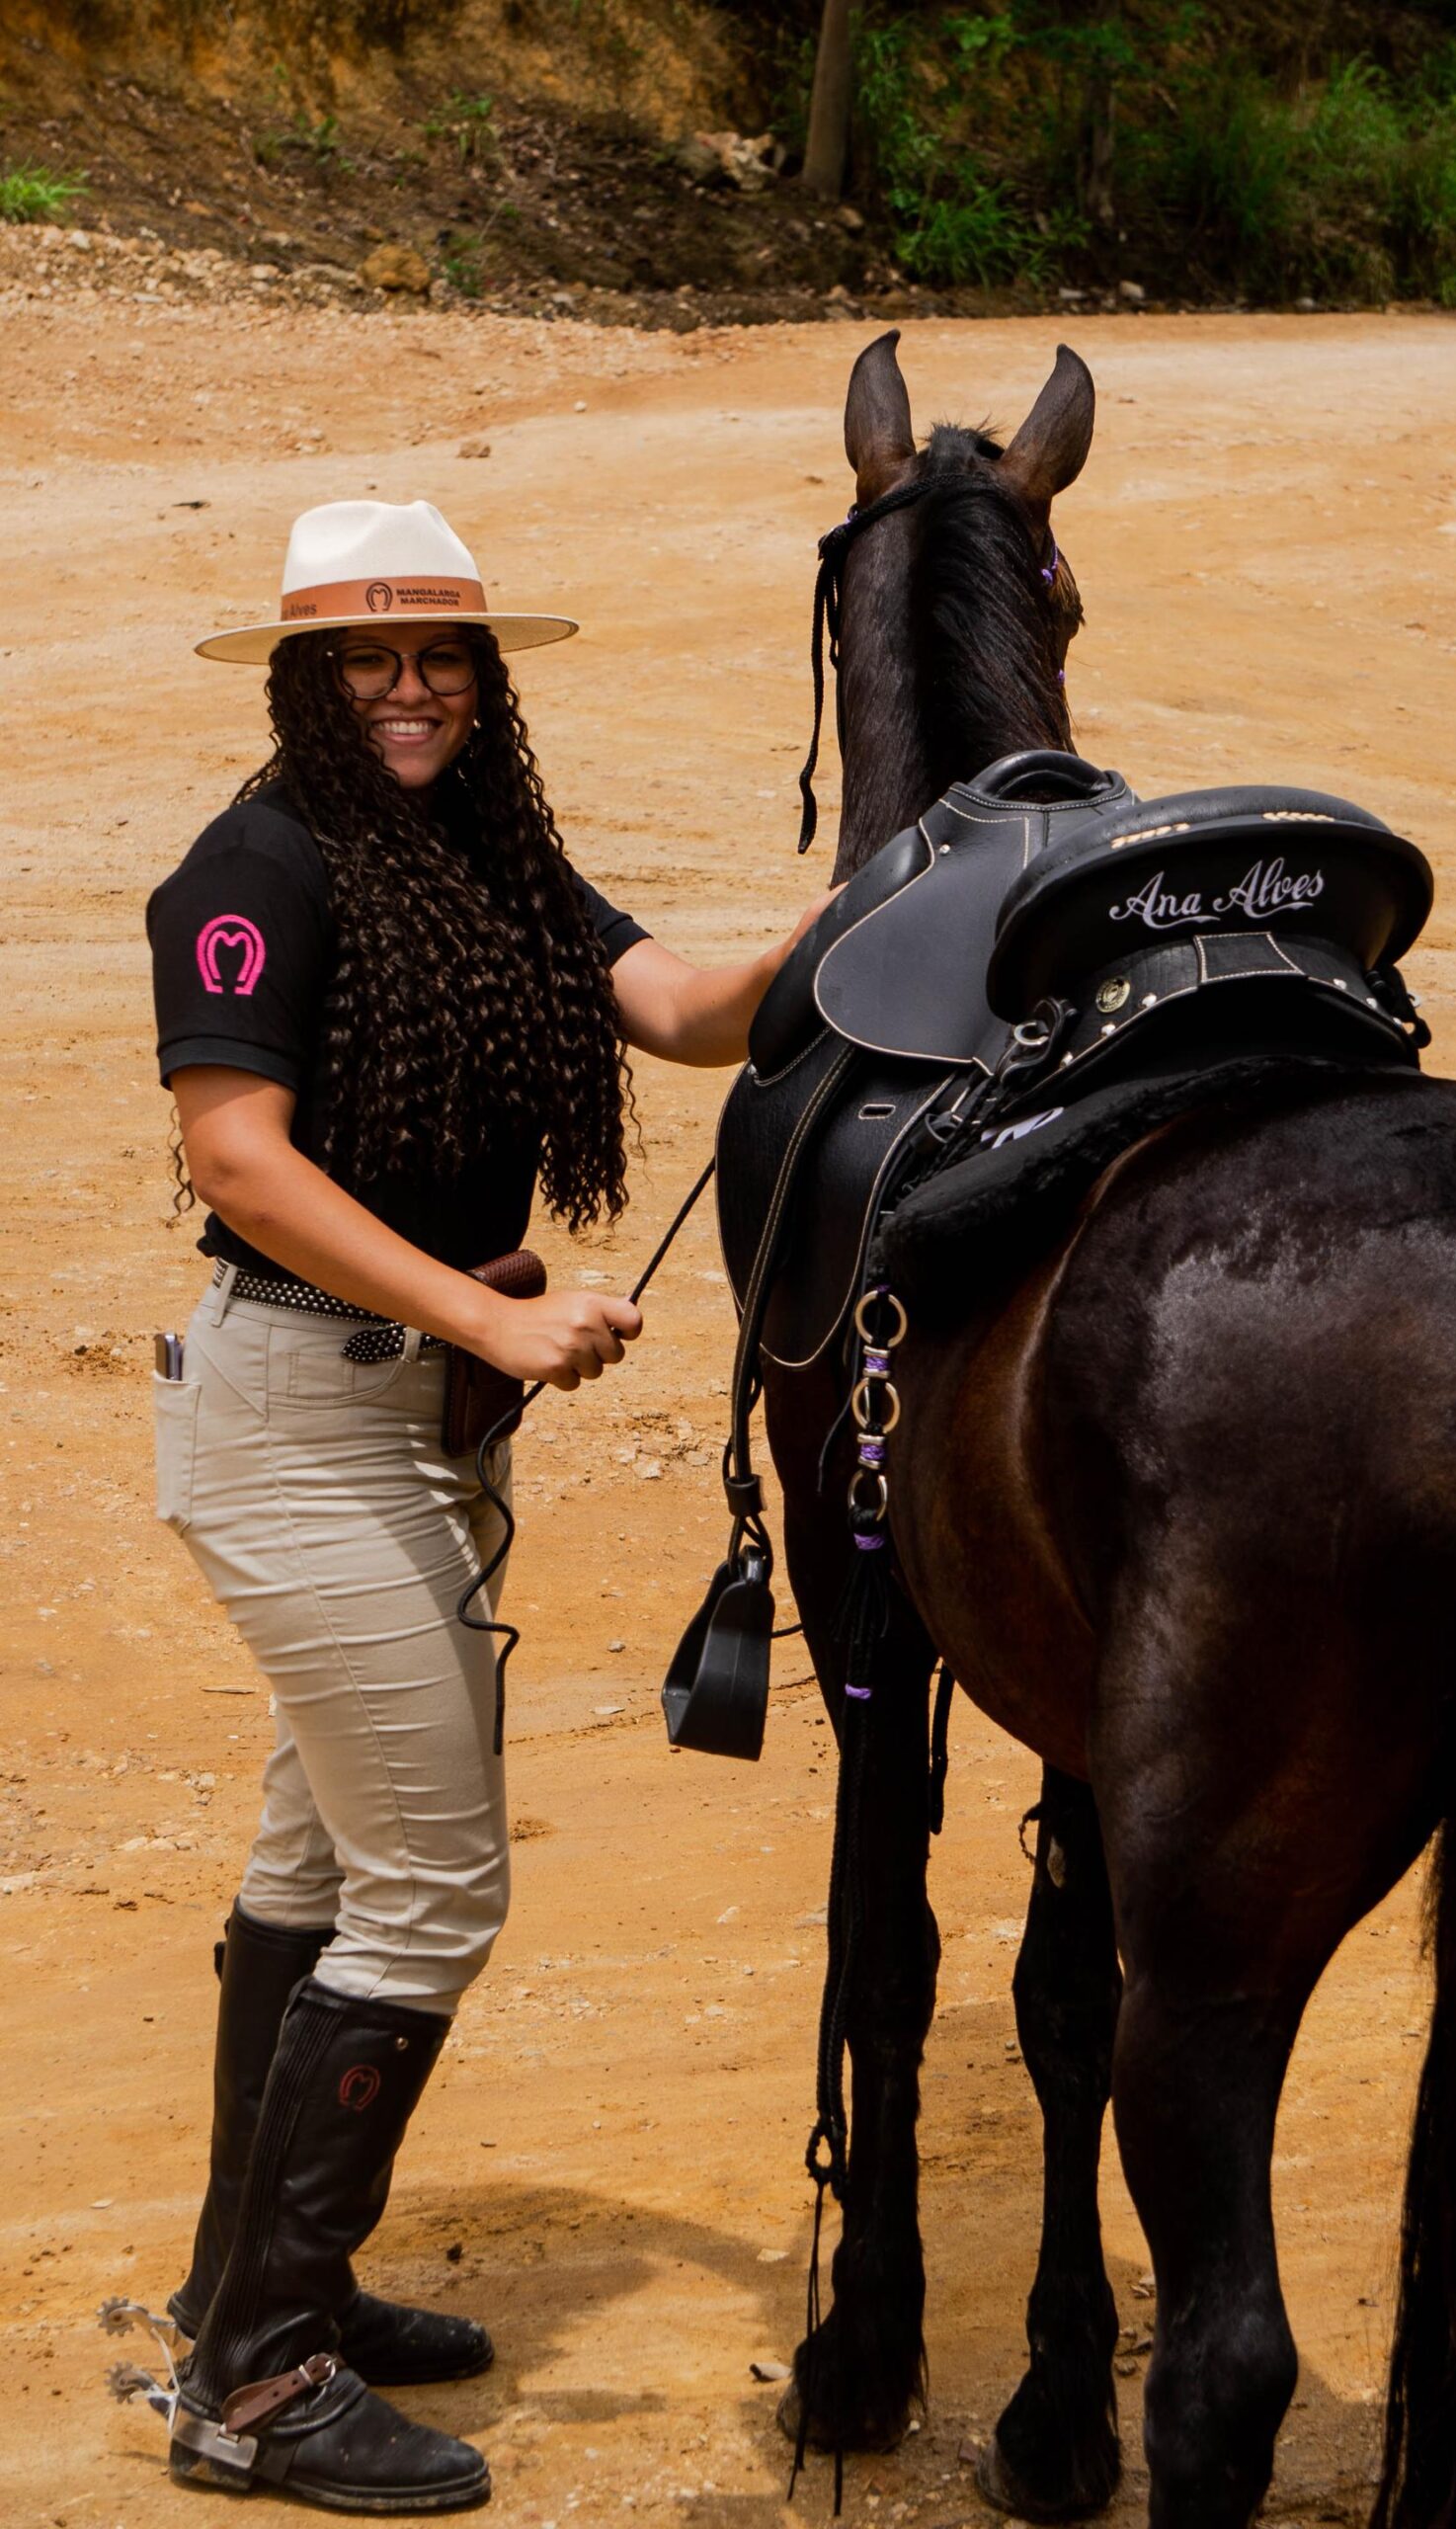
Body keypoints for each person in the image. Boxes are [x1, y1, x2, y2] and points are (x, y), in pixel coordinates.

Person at [146, 499, 819, 2513]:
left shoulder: (491, 852)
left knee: (322, 1854)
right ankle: (256, 2383)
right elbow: (237, 1157)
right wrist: (490, 1317)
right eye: (369, 657)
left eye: (442, 653)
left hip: (417, 1424)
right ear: (307, 680)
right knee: (434, 1882)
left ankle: (250, 2287)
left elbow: (688, 1008)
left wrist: (871, 904)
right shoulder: (254, 866)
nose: (411, 687)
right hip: (300, 1422)